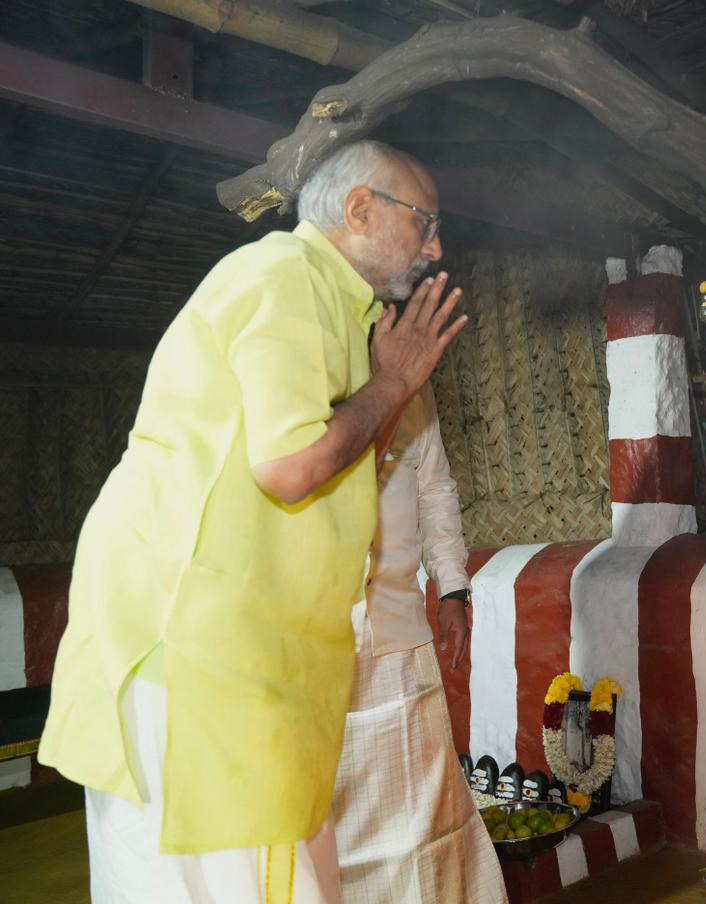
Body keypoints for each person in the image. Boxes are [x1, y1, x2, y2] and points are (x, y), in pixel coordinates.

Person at [38, 139, 466, 903]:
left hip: (231, 642)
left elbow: (343, 474)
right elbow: (292, 467)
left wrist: (391, 386)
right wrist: (395, 380)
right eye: (423, 220)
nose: (435, 248)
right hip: (194, 641)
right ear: (359, 208)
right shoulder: (284, 276)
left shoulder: (343, 310)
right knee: (240, 879)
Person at [331, 383, 507, 902]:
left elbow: (434, 488)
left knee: (427, 822)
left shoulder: (413, 386)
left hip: (402, 633)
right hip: (326, 641)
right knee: (337, 833)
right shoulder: (309, 366)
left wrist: (452, 588)